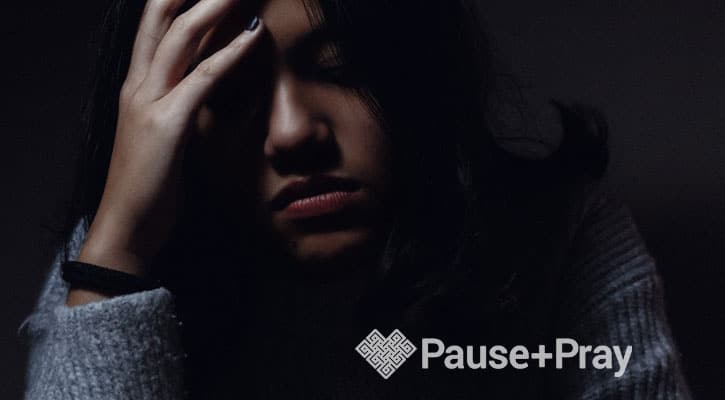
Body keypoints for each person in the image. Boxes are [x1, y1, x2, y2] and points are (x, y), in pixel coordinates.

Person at [21, 0, 692, 398]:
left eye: (340, 70)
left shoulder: (557, 235)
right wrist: (115, 258)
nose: (294, 134)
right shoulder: (115, 263)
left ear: (418, 71)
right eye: (225, 95)